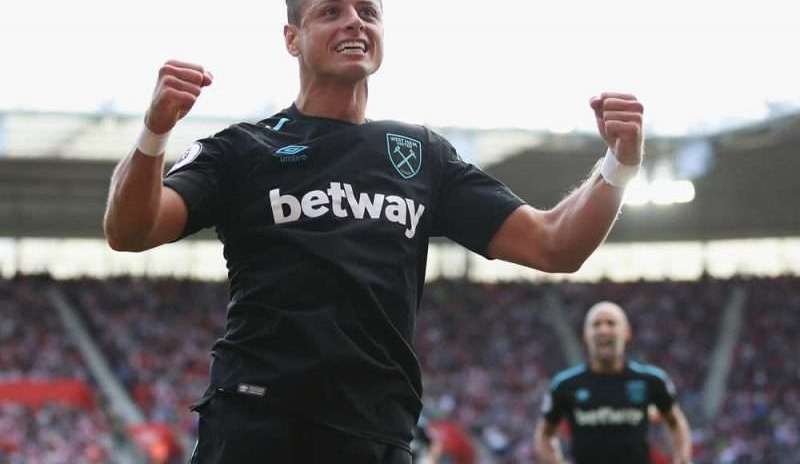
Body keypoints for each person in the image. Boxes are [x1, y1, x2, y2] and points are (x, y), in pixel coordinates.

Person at [103, 0, 646, 462]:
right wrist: (154, 133)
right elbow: (130, 231)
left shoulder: (420, 156)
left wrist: (619, 164)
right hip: (258, 422)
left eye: (368, 11)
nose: (354, 22)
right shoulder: (243, 149)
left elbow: (555, 245)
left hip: (377, 433)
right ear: (292, 39)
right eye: (330, 12)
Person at [534, 301, 692, 464]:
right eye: (596, 324)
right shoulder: (565, 385)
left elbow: (676, 422)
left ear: (627, 332)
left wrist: (682, 459)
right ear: (585, 335)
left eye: (611, 323)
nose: (603, 330)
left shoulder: (651, 380)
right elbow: (545, 434)